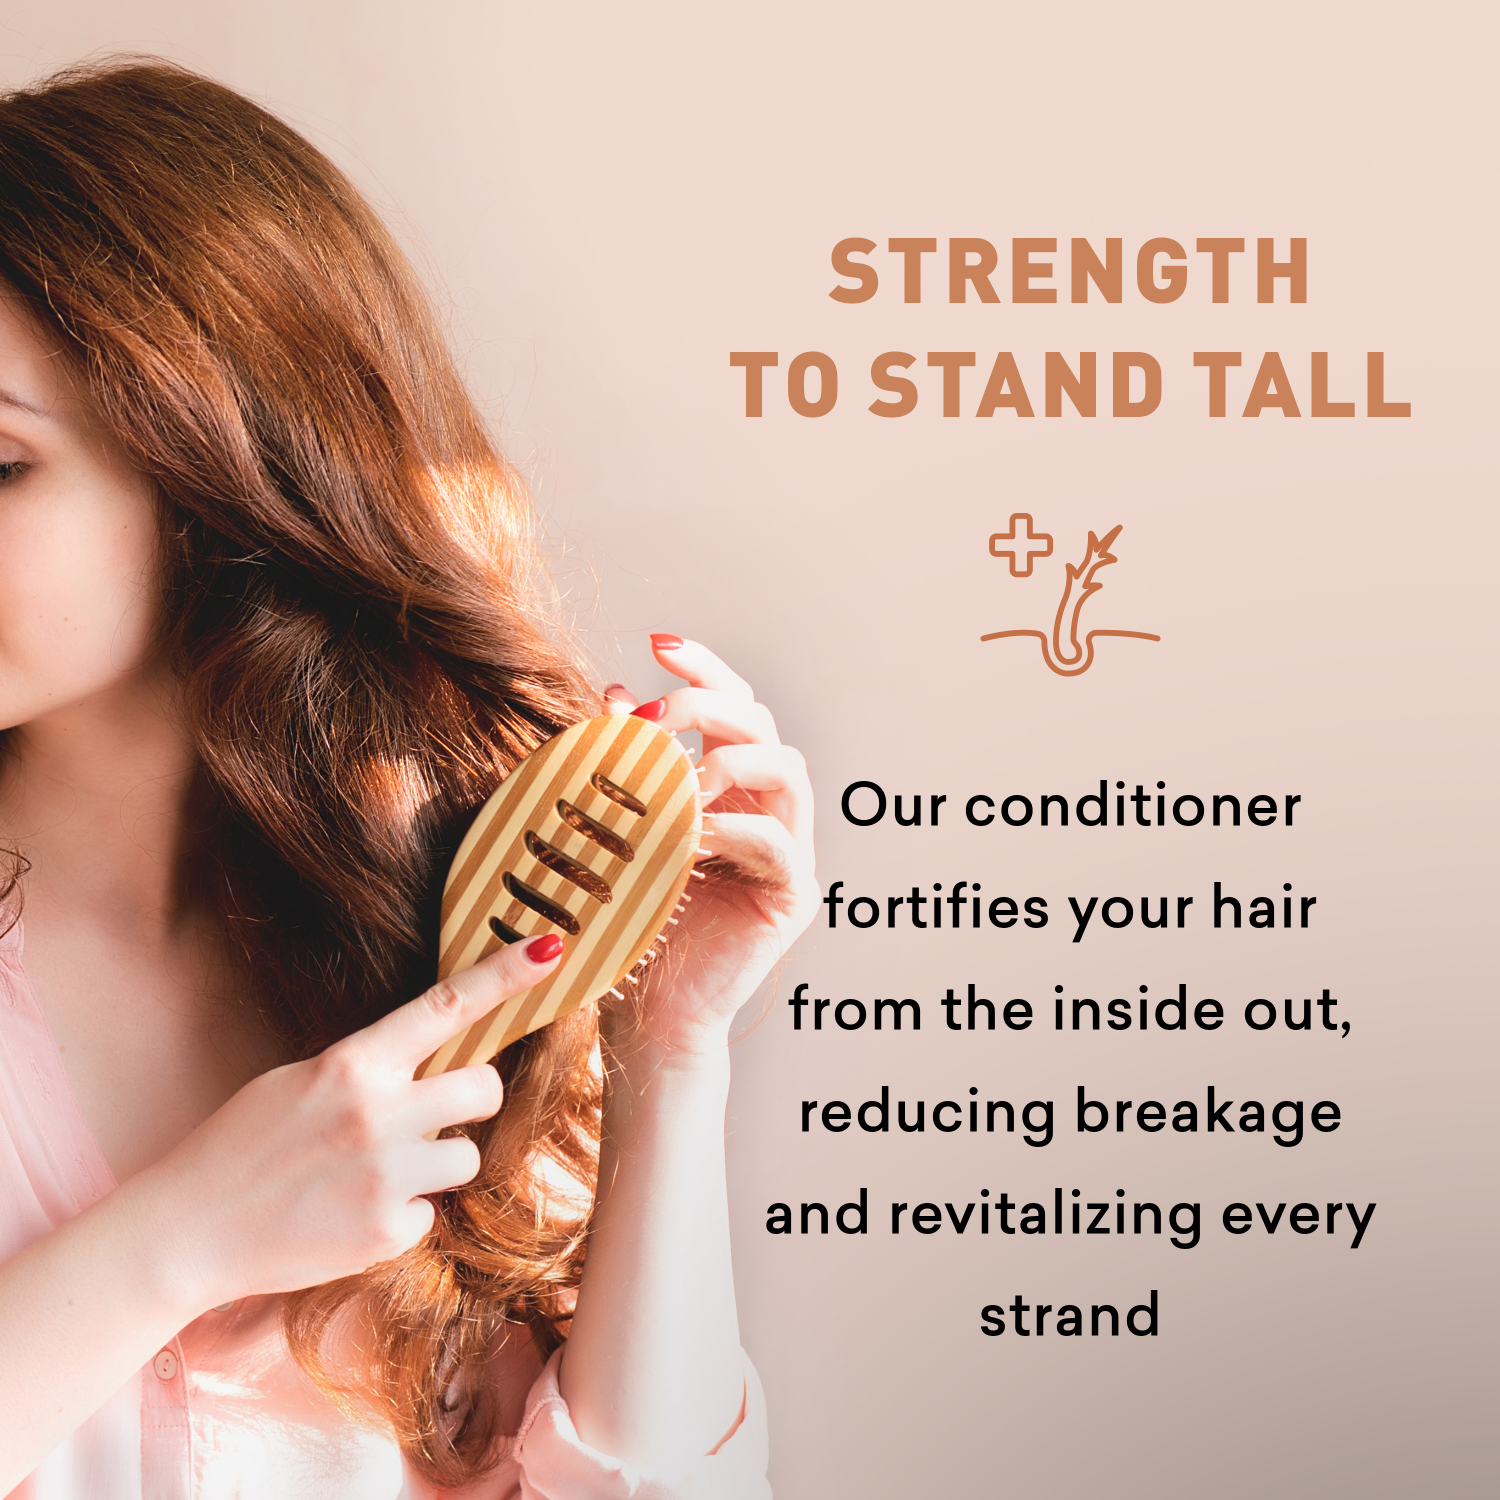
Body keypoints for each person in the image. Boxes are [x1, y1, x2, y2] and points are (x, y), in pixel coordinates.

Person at [0, 57, 815, 1498]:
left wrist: (670, 1057)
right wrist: (179, 1236)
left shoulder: (434, 937)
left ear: (217, 481)